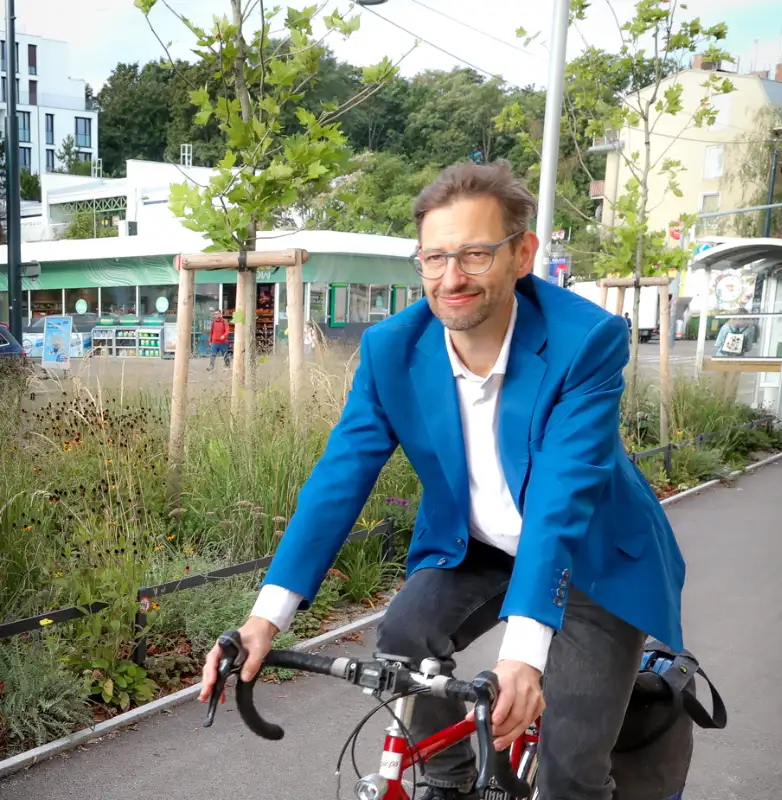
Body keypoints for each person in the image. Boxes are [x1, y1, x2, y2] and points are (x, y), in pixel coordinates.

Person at [200, 161, 686, 800]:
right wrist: (266, 619)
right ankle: (453, 783)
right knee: (402, 639)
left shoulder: (585, 341)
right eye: (433, 259)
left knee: (571, 767)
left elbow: (561, 501)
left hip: (592, 559)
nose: (450, 279)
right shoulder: (391, 350)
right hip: (478, 547)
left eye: (475, 255)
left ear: (522, 254)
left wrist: (522, 655)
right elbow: (339, 479)